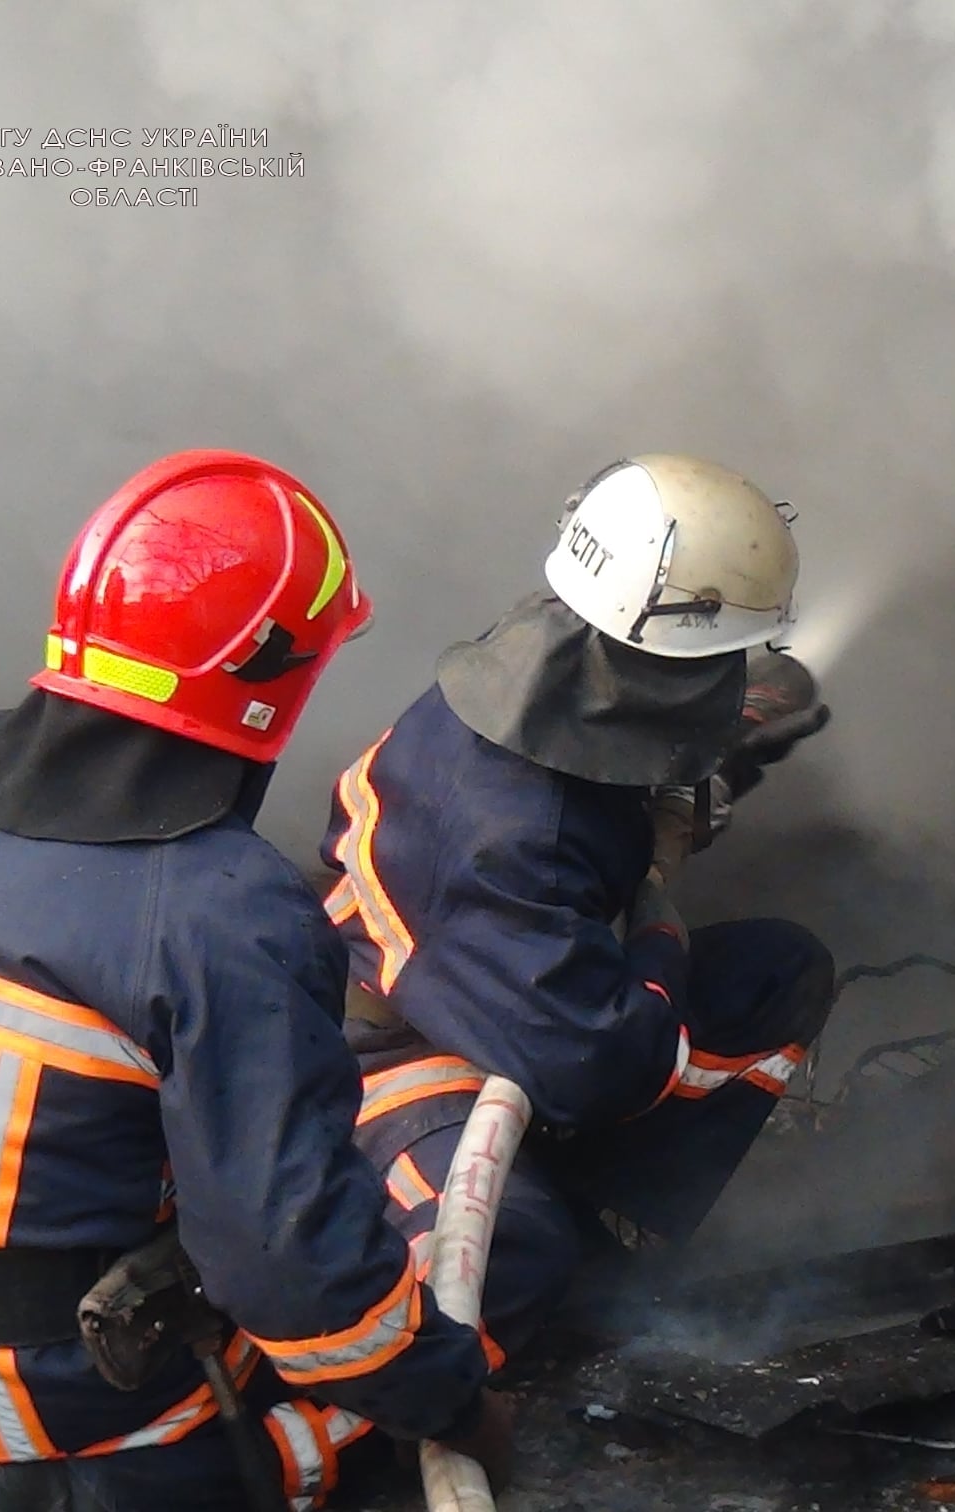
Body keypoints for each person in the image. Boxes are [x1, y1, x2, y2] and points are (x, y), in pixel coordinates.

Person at [0, 451, 507, 1512]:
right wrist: (461, 1403)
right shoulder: (223, 909)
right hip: (24, 1387)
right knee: (362, 1392)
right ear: (273, 677)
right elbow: (291, 1274)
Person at [320, 453, 835, 1362]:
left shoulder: (538, 651)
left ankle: (609, 1211)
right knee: (515, 1251)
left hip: (496, 982)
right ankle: (562, 1283)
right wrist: (660, 925)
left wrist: (712, 766)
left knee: (777, 974)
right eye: (719, 663)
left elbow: (604, 768)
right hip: (392, 1060)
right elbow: (599, 1063)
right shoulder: (515, 836)